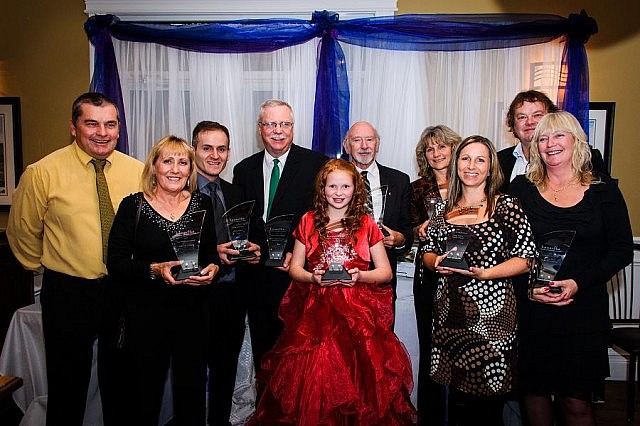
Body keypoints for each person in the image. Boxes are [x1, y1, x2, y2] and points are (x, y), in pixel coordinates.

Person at [6, 92, 144, 425]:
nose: (102, 132)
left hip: (122, 292)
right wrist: (50, 266)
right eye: (92, 123)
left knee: (121, 385)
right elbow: (22, 232)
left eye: (110, 124)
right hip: (69, 293)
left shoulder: (137, 171)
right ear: (73, 127)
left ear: (118, 128)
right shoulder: (42, 173)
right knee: (68, 387)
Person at [249, 159, 417, 425]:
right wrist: (313, 277)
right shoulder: (308, 221)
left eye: (345, 186)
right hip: (315, 314)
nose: (338, 193)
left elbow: (385, 271)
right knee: (314, 380)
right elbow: (295, 269)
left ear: (355, 190)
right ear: (322, 189)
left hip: (358, 316)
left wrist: (359, 275)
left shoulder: (366, 224)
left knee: (359, 381)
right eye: (332, 186)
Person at [508, 111, 633, 426]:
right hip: (532, 309)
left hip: (582, 311)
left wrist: (579, 282)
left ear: (577, 141)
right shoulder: (520, 190)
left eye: (558, 135)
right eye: (543, 138)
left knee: (576, 403)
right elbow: (504, 250)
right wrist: (527, 290)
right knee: (533, 396)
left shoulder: (604, 192)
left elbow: (621, 251)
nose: (550, 144)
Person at [421, 135, 537, 425]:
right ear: (456, 164)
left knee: (488, 404)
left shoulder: (506, 206)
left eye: (480, 159)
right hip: (449, 317)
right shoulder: (443, 209)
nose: (471, 166)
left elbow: (525, 259)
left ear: (490, 168)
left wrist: (486, 273)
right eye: (465, 158)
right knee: (457, 401)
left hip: (492, 320)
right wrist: (437, 263)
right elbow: (427, 252)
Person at [107, 135, 220, 425]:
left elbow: (211, 255)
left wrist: (213, 270)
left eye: (183, 162)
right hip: (146, 317)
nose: (175, 169)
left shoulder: (201, 203)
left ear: (190, 169)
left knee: (192, 396)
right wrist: (156, 269)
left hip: (193, 315)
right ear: (154, 166)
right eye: (167, 161)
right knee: (144, 395)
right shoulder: (132, 207)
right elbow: (116, 264)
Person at [232, 99, 327, 377]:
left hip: (297, 277)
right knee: (265, 356)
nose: (278, 130)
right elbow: (242, 222)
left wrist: (298, 252)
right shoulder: (243, 169)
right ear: (260, 128)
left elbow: (323, 217)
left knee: (297, 357)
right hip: (257, 278)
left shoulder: (316, 164)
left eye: (284, 124)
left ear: (293, 128)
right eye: (271, 124)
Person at [191, 120, 261, 425]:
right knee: (191, 373)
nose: (214, 155)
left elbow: (248, 234)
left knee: (225, 371)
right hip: (194, 296)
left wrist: (256, 253)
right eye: (207, 148)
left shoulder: (236, 192)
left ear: (229, 152)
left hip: (232, 295)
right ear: (194, 149)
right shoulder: (180, 190)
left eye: (221, 149)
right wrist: (212, 254)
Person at [409, 125, 461, 421]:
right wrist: (419, 229)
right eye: (430, 149)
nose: (436, 153)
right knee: (430, 345)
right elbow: (411, 226)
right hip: (428, 273)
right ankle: (429, 415)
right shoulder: (417, 188)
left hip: (464, 276)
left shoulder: (469, 182)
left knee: (459, 344)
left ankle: (459, 412)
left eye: (442, 146)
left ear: (454, 149)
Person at [342, 121, 413, 309]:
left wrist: (399, 239)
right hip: (343, 279)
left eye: (369, 139)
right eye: (357, 140)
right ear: (346, 145)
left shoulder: (399, 180)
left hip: (383, 281)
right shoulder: (333, 180)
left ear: (378, 144)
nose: (364, 146)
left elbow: (407, 229)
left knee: (382, 336)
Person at [498, 90, 607, 191]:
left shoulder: (589, 159)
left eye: (537, 115)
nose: (529, 122)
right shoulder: (499, 161)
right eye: (522, 117)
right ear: (513, 123)